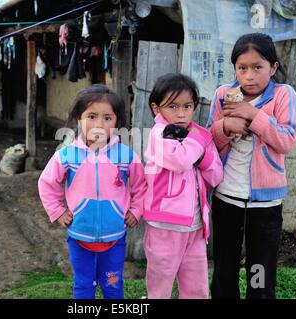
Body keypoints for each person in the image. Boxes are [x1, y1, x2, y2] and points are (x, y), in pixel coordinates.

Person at [206, 33, 296, 299]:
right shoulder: (224, 94)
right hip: (226, 197)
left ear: (273, 67)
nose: (249, 76)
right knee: (225, 268)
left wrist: (254, 115)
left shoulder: (283, 95)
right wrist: (225, 127)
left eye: (258, 67)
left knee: (259, 270)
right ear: (234, 68)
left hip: (265, 204)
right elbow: (207, 141)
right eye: (242, 68)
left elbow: (287, 140)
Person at [38, 84, 147, 299]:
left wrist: (136, 210)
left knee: (112, 286)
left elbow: (141, 185)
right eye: (92, 116)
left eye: (107, 118)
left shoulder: (126, 156)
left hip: (115, 238)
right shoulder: (67, 155)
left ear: (117, 122)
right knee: (84, 286)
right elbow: (47, 183)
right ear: (79, 118)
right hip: (79, 236)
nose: (99, 124)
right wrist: (58, 211)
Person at [143, 73, 223, 299]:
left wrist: (202, 156)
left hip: (196, 227)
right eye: (173, 106)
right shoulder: (159, 135)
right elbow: (179, 160)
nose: (181, 114)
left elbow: (216, 175)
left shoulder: (198, 135)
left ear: (195, 106)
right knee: (160, 287)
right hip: (164, 226)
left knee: (196, 289)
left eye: (187, 106)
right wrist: (197, 143)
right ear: (156, 108)